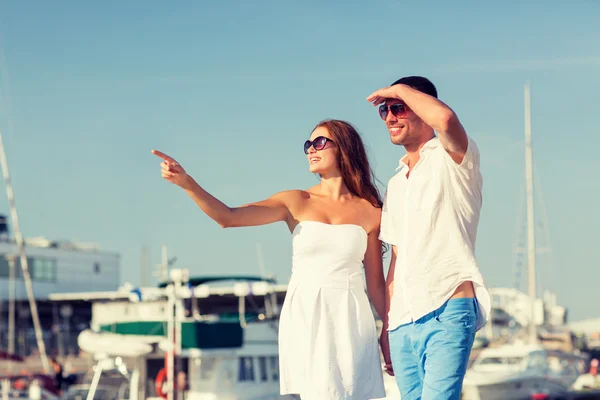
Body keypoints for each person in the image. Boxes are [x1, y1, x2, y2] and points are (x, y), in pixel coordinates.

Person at [152, 119, 387, 400]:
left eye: (320, 142)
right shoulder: (295, 201)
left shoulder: (371, 211)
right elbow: (229, 217)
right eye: (308, 145)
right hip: (306, 312)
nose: (311, 149)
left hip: (350, 314)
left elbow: (376, 284)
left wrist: (387, 330)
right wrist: (187, 183)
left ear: (345, 149)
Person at [366, 76, 491, 400]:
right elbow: (397, 258)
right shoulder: (396, 183)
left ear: (422, 107)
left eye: (399, 108)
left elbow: (446, 119)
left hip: (447, 306)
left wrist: (398, 90)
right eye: (385, 111)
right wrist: (387, 325)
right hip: (403, 321)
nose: (390, 117)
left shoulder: (454, 158)